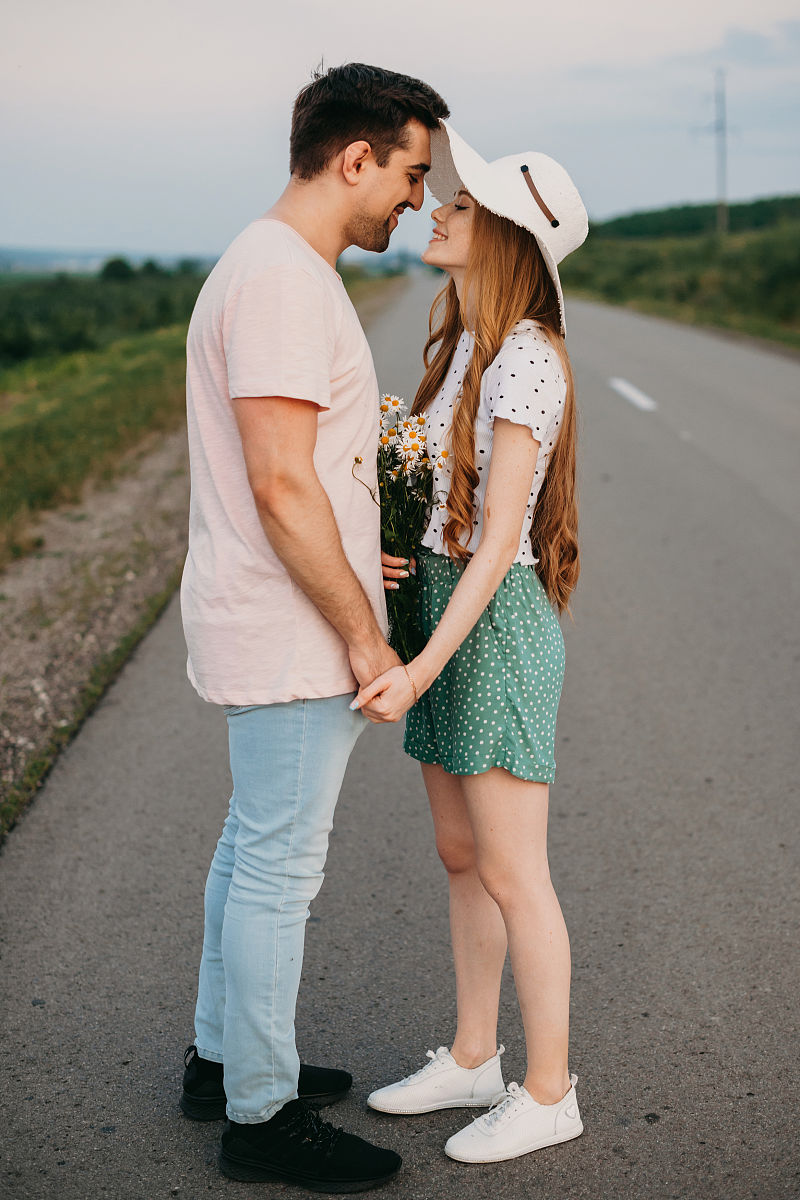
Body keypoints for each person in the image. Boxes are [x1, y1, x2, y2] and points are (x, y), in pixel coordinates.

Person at [178, 63, 449, 1191]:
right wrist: (363, 631)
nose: (418, 202)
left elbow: (304, 480)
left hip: (279, 613)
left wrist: (357, 539)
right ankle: (257, 1116)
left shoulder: (271, 267)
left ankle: (218, 1061)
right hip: (293, 634)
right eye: (411, 172)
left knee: (250, 851)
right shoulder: (284, 281)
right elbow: (282, 486)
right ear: (356, 159)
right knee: (279, 870)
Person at [354, 122, 589, 1164]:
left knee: (513, 871)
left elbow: (497, 547)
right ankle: (471, 1055)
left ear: (502, 236)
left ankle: (547, 1092)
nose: (439, 207)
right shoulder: (462, 343)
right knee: (462, 856)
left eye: (462, 202)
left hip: (488, 629)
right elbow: (443, 515)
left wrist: (417, 666)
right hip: (446, 610)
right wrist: (389, 556)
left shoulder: (529, 361)